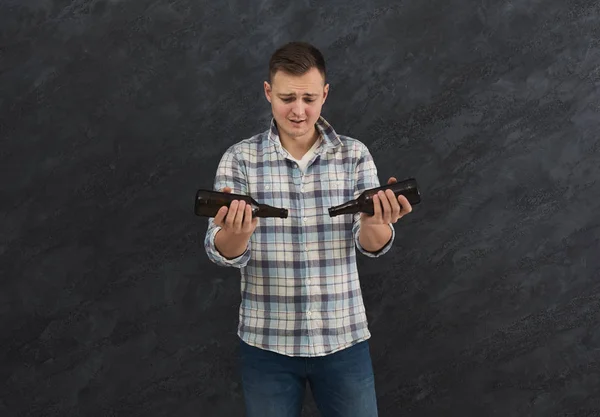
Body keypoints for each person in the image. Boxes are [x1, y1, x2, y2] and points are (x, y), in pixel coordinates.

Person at [204, 41, 413, 417]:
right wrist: (236, 230)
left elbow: (371, 246)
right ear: (268, 92)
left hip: (344, 341)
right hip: (267, 345)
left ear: (325, 94)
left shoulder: (355, 155)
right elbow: (223, 252)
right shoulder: (239, 160)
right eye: (287, 97)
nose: (298, 110)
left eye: (309, 98)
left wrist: (376, 221)